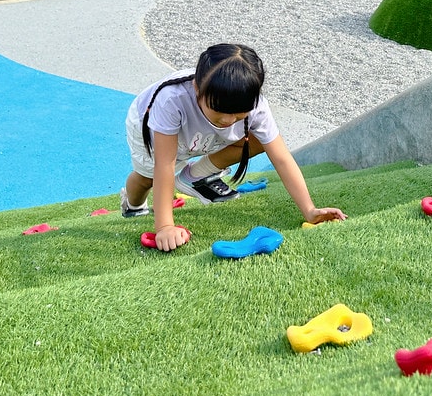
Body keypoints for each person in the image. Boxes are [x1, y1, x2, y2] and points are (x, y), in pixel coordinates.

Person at [120, 43, 346, 252]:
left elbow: (282, 158)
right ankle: (132, 205)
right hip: (154, 128)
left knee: (261, 140)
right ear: (197, 88)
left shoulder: (255, 107)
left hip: (201, 133)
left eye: (238, 114)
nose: (228, 120)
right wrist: (165, 227)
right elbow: (165, 164)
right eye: (220, 110)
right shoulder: (172, 99)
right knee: (147, 179)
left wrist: (310, 210)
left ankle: (196, 176)